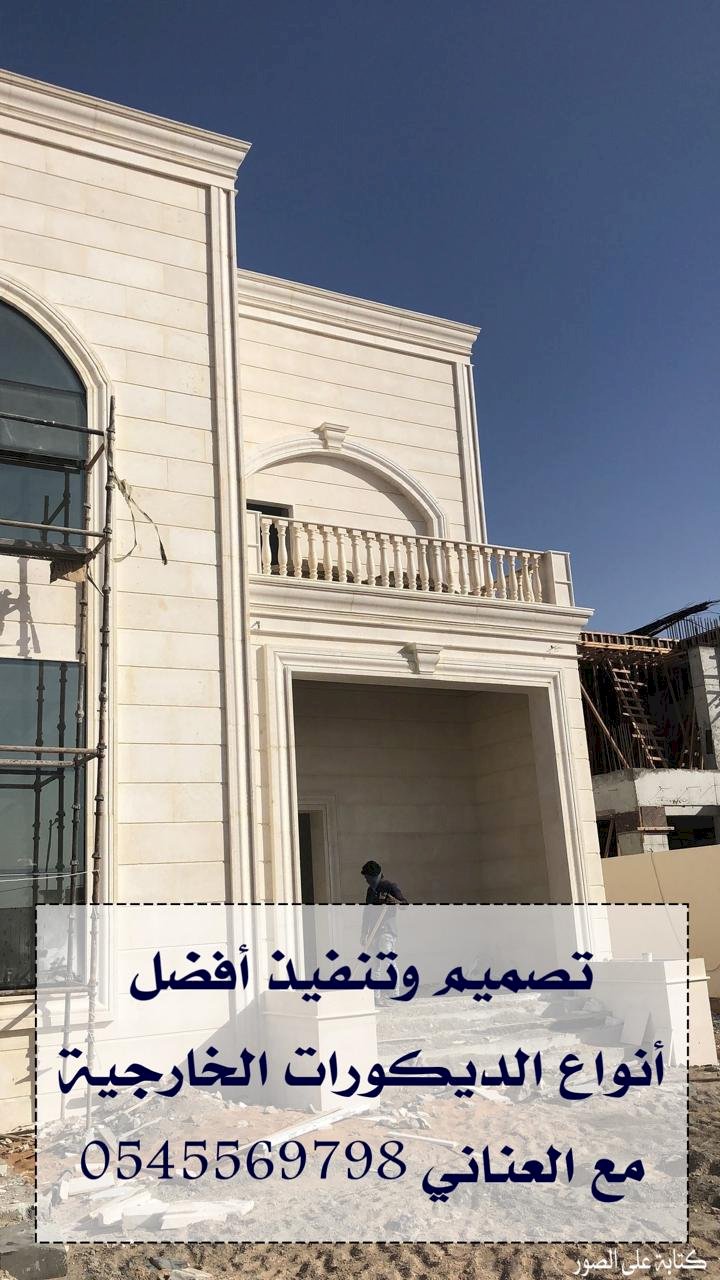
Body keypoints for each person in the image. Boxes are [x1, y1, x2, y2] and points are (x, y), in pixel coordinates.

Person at [360, 859, 408, 953]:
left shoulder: (389, 887)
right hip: (373, 933)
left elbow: (405, 905)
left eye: (368, 878)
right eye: (366, 878)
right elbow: (367, 913)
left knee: (387, 956)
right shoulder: (370, 891)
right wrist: (364, 933)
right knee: (372, 960)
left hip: (386, 932)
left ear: (375, 876)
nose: (367, 881)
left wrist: (394, 901)